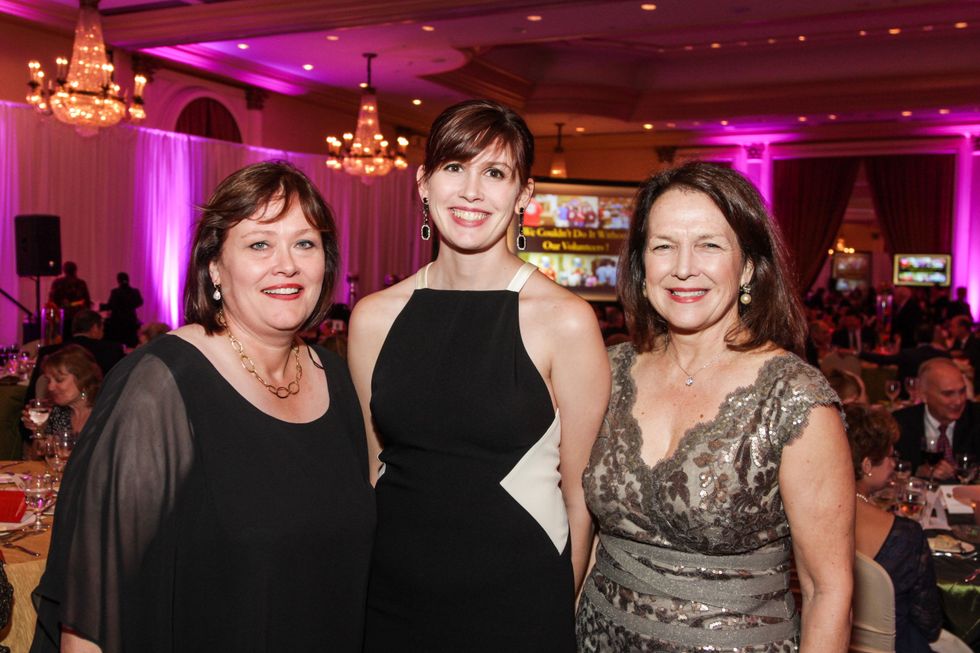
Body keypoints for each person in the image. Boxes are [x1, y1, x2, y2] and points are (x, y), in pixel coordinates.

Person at [31, 161, 375, 653]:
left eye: (305, 243)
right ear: (214, 266)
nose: (288, 264)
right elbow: (92, 611)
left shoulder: (335, 379)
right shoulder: (161, 384)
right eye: (260, 244)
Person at [349, 99, 609, 651]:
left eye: (494, 173)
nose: (471, 191)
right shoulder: (374, 317)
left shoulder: (565, 320)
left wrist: (558, 610)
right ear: (424, 183)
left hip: (518, 601)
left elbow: (580, 499)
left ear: (523, 195)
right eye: (454, 167)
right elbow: (376, 470)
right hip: (390, 596)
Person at [576, 162, 854, 652]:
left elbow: (827, 590)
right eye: (663, 246)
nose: (683, 267)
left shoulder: (795, 398)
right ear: (642, 266)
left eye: (709, 245)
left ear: (747, 266)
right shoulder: (608, 371)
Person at [845, 404, 941, 652]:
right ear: (867, 465)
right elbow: (930, 624)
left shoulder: (807, 515)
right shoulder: (906, 535)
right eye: (889, 456)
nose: (893, 464)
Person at [892, 357, 980, 481]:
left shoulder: (976, 417)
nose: (958, 401)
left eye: (962, 391)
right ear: (923, 395)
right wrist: (917, 471)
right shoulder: (900, 423)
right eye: (948, 394)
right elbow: (890, 469)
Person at [20, 345, 101, 446]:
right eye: (49, 380)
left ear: (83, 379)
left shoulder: (103, 414)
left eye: (59, 380)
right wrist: (38, 429)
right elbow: (42, 454)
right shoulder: (59, 413)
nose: (50, 387)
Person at [48, 261, 92, 340]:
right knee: (77, 340)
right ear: (75, 270)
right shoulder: (81, 283)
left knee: (64, 340)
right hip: (79, 318)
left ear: (64, 270)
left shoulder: (58, 283)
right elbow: (87, 301)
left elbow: (52, 300)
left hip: (63, 317)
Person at [101, 272, 144, 348]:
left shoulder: (115, 292)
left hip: (117, 323)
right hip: (131, 321)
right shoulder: (135, 291)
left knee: (117, 343)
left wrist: (100, 306)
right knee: (131, 344)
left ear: (118, 280)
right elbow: (140, 302)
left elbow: (110, 306)